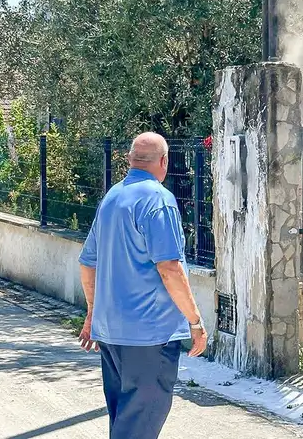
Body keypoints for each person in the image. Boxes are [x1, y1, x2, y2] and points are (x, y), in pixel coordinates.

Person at [77, 132, 209, 439]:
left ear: (130, 160)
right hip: (151, 336)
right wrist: (195, 321)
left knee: (125, 420)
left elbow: (87, 263)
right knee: (140, 424)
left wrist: (92, 314)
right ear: (164, 162)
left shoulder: (112, 198)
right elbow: (170, 269)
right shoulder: (158, 200)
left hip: (111, 333)